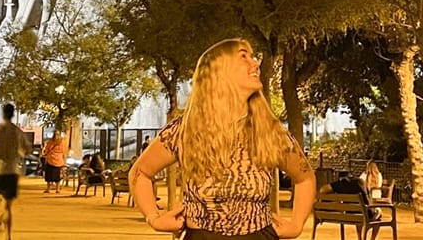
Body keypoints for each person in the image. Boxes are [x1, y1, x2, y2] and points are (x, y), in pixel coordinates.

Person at [129, 38, 315, 239]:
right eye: (244, 56)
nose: (255, 62)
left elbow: (304, 177)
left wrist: (296, 225)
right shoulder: (185, 130)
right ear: (219, 70)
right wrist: (153, 217)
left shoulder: (269, 131)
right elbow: (140, 173)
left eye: (252, 56)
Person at [0, 103, 30, 237]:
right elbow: (27, 149)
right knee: (8, 206)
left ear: (2, 114)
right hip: (12, 170)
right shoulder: (17, 131)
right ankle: (8, 236)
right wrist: (16, 153)